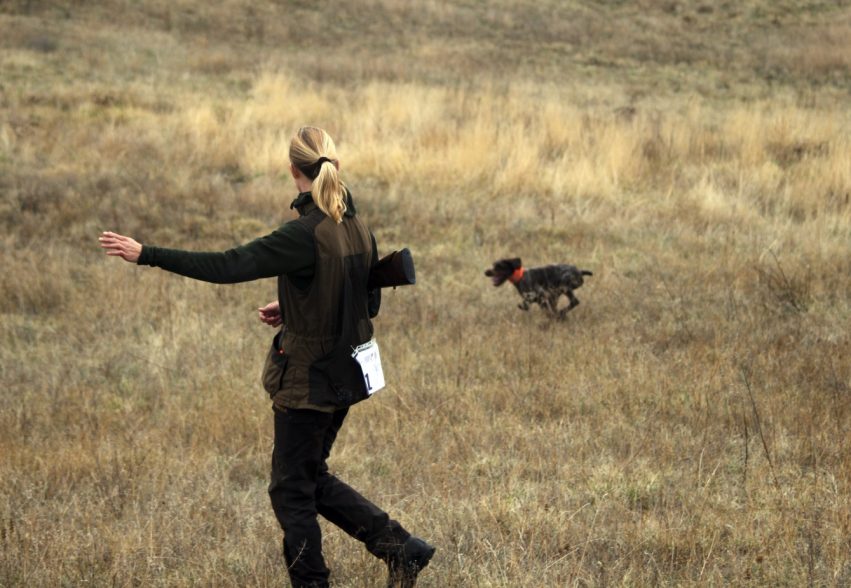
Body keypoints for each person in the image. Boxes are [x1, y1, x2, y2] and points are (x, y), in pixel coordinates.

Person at [99, 126, 435, 588]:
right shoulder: (358, 226)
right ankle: (402, 550)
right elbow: (366, 301)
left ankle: (320, 580)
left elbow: (227, 264)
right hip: (346, 374)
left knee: (291, 492)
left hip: (309, 381)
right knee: (308, 477)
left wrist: (147, 254)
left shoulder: (303, 234)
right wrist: (300, 303)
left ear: (292, 169)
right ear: (335, 165)